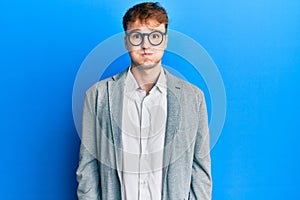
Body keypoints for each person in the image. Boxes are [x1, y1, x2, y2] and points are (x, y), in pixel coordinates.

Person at [76, 2, 212, 199]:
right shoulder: (98, 96)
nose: (146, 45)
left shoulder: (193, 98)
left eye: (155, 36)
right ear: (126, 41)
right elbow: (87, 168)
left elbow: (201, 170)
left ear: (165, 41)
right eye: (137, 36)